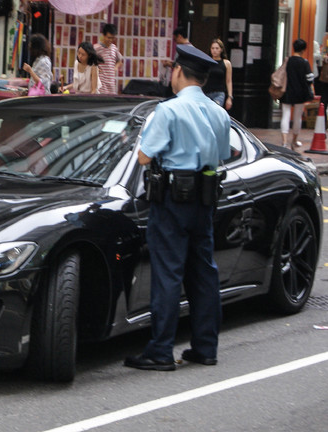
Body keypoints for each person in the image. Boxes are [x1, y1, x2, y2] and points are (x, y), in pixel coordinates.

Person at [124, 44, 230, 371]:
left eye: (173, 69)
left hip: (171, 199)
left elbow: (144, 156)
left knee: (168, 273)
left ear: (179, 72)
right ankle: (205, 347)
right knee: (203, 273)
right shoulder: (219, 112)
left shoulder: (168, 111)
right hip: (205, 198)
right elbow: (222, 153)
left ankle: (160, 351)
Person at [280, 39, 315, 151]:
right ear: (303, 49)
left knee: (285, 115)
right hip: (300, 92)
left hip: (287, 91)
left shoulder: (288, 60)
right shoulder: (304, 62)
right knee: (297, 117)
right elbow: (309, 78)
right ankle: (294, 140)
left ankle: (284, 141)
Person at [203, 38, 233, 110]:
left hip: (219, 93)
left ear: (221, 49)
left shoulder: (226, 63)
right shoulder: (206, 62)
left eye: (217, 48)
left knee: (215, 110)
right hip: (206, 93)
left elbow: (228, 81)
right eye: (212, 48)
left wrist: (230, 97)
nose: (214, 50)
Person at [94, 23, 124, 94]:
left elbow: (119, 61)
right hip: (100, 82)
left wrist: (115, 68)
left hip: (111, 82)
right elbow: (87, 61)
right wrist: (95, 68)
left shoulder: (114, 48)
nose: (110, 40)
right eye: (108, 37)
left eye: (113, 38)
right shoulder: (96, 48)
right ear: (103, 35)